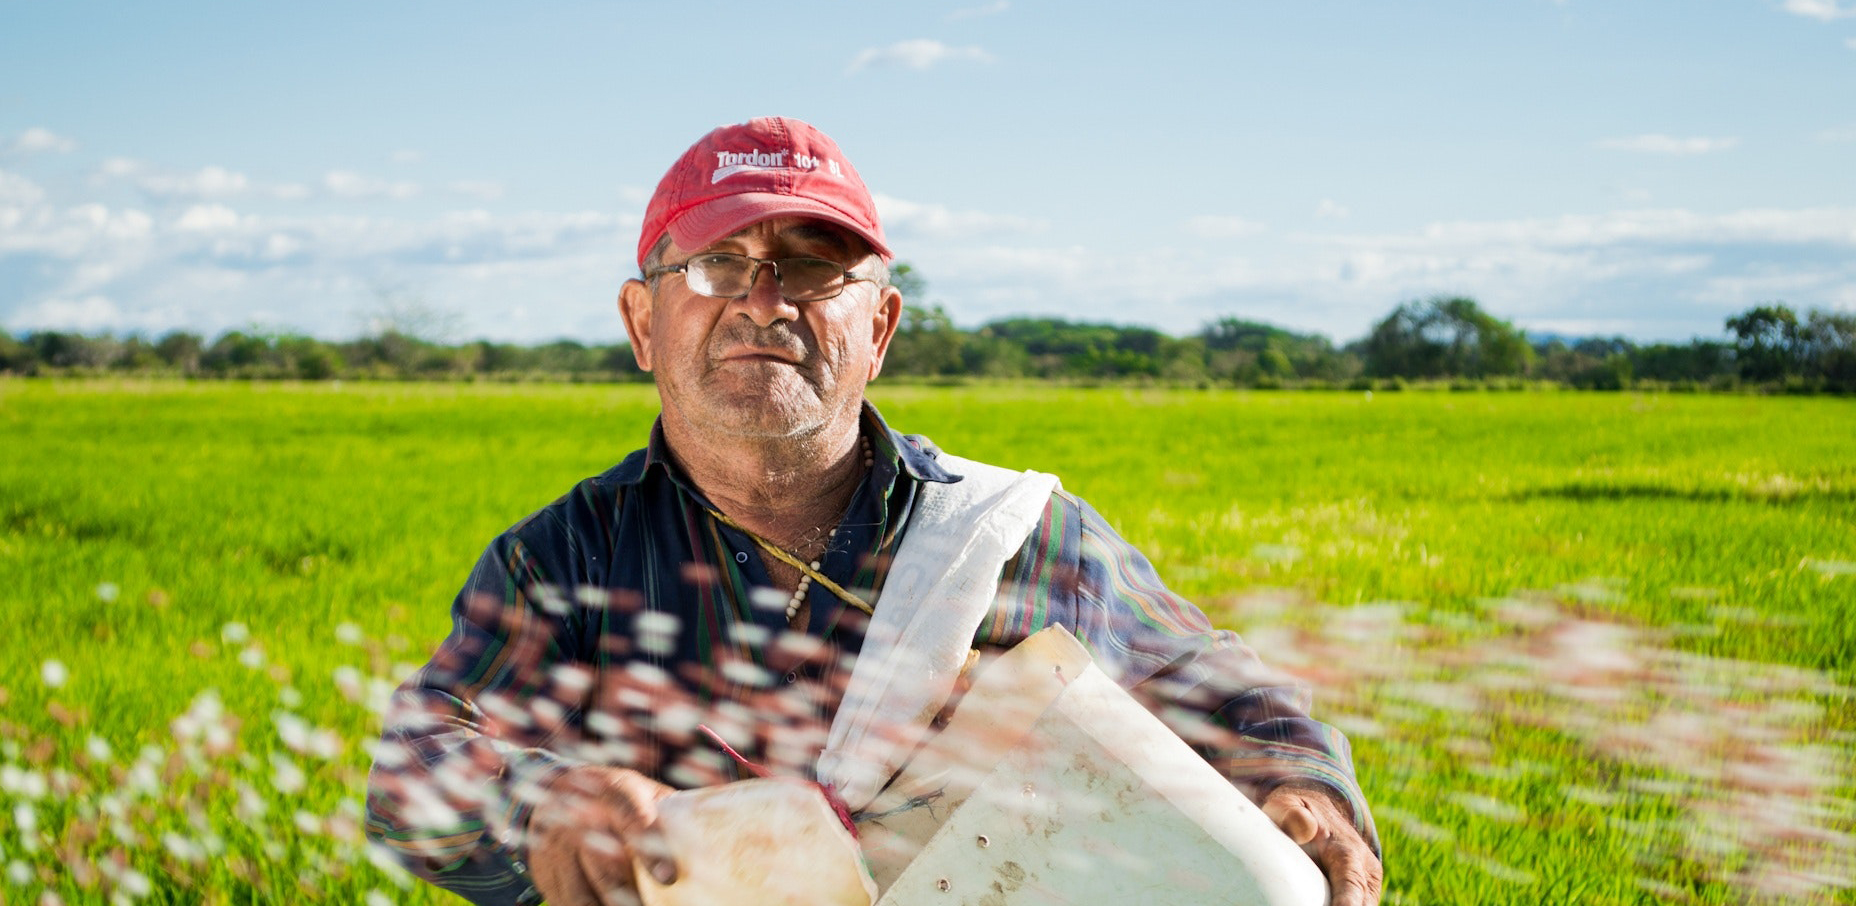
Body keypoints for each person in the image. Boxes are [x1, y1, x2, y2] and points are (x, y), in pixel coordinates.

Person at [365, 116, 1383, 906]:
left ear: (879, 326)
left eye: (811, 268)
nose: (764, 300)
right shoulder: (564, 560)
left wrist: (1306, 786)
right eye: (718, 264)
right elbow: (414, 767)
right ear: (643, 321)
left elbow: (1210, 685)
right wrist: (544, 802)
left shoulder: (1013, 537)